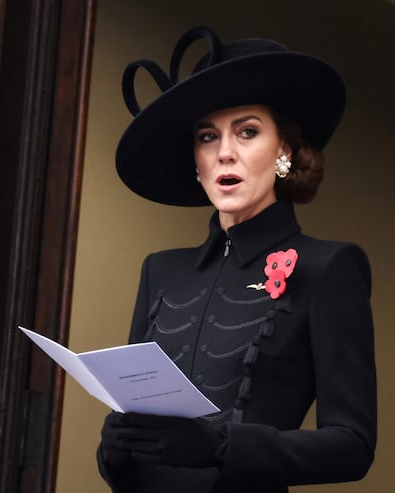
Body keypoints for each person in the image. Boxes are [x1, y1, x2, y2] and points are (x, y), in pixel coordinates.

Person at [97, 26, 376, 492]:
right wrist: (114, 450)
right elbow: (136, 437)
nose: (225, 153)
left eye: (247, 132)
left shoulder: (330, 268)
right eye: (208, 137)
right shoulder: (160, 270)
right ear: (196, 160)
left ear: (283, 150)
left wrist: (222, 446)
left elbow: (352, 445)